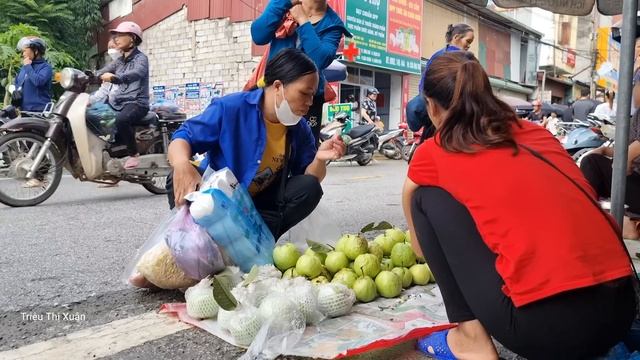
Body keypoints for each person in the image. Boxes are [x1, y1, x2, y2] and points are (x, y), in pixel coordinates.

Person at [404, 51, 635, 359]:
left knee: (427, 197)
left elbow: (417, 232)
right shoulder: (539, 134)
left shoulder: (436, 149)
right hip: (620, 310)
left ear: (431, 107)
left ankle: (470, 338)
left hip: (549, 331)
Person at [167, 48, 345, 240]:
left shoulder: (298, 128)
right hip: (219, 199)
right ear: (278, 86)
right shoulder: (231, 108)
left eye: (313, 96)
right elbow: (183, 137)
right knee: (175, 176)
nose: (310, 102)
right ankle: (193, 240)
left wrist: (319, 158)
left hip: (260, 207)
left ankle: (258, 242)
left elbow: (309, 178)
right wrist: (181, 164)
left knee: (309, 187)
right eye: (305, 93)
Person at [251, 0, 351, 145]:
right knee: (262, 144)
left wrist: (303, 21)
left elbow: (320, 59)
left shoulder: (333, 24)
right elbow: (258, 36)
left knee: (303, 150)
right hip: (275, 92)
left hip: (308, 97)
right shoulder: (283, 5)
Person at [96, 21, 149, 169]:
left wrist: (115, 78)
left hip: (136, 103)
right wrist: (88, 76)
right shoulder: (119, 61)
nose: (116, 39)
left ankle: (133, 155)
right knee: (96, 114)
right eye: (115, 36)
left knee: (121, 119)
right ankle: (115, 149)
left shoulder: (141, 59)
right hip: (118, 103)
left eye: (120, 35)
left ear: (132, 38)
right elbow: (104, 70)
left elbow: (137, 73)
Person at [407, 23, 474, 132]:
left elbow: (423, 83)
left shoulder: (437, 55)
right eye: (468, 41)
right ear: (456, 37)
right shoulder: (465, 59)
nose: (469, 46)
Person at [14, 37, 53, 112]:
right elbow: (17, 83)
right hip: (23, 111)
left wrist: (28, 66)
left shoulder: (46, 67)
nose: (23, 54)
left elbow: (38, 82)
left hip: (39, 112)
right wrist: (14, 92)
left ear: (36, 51)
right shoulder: (24, 67)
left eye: (25, 51)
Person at [89, 39, 121, 106]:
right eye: (109, 48)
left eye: (113, 47)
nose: (111, 51)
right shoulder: (110, 69)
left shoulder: (131, 67)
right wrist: (87, 102)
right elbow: (102, 92)